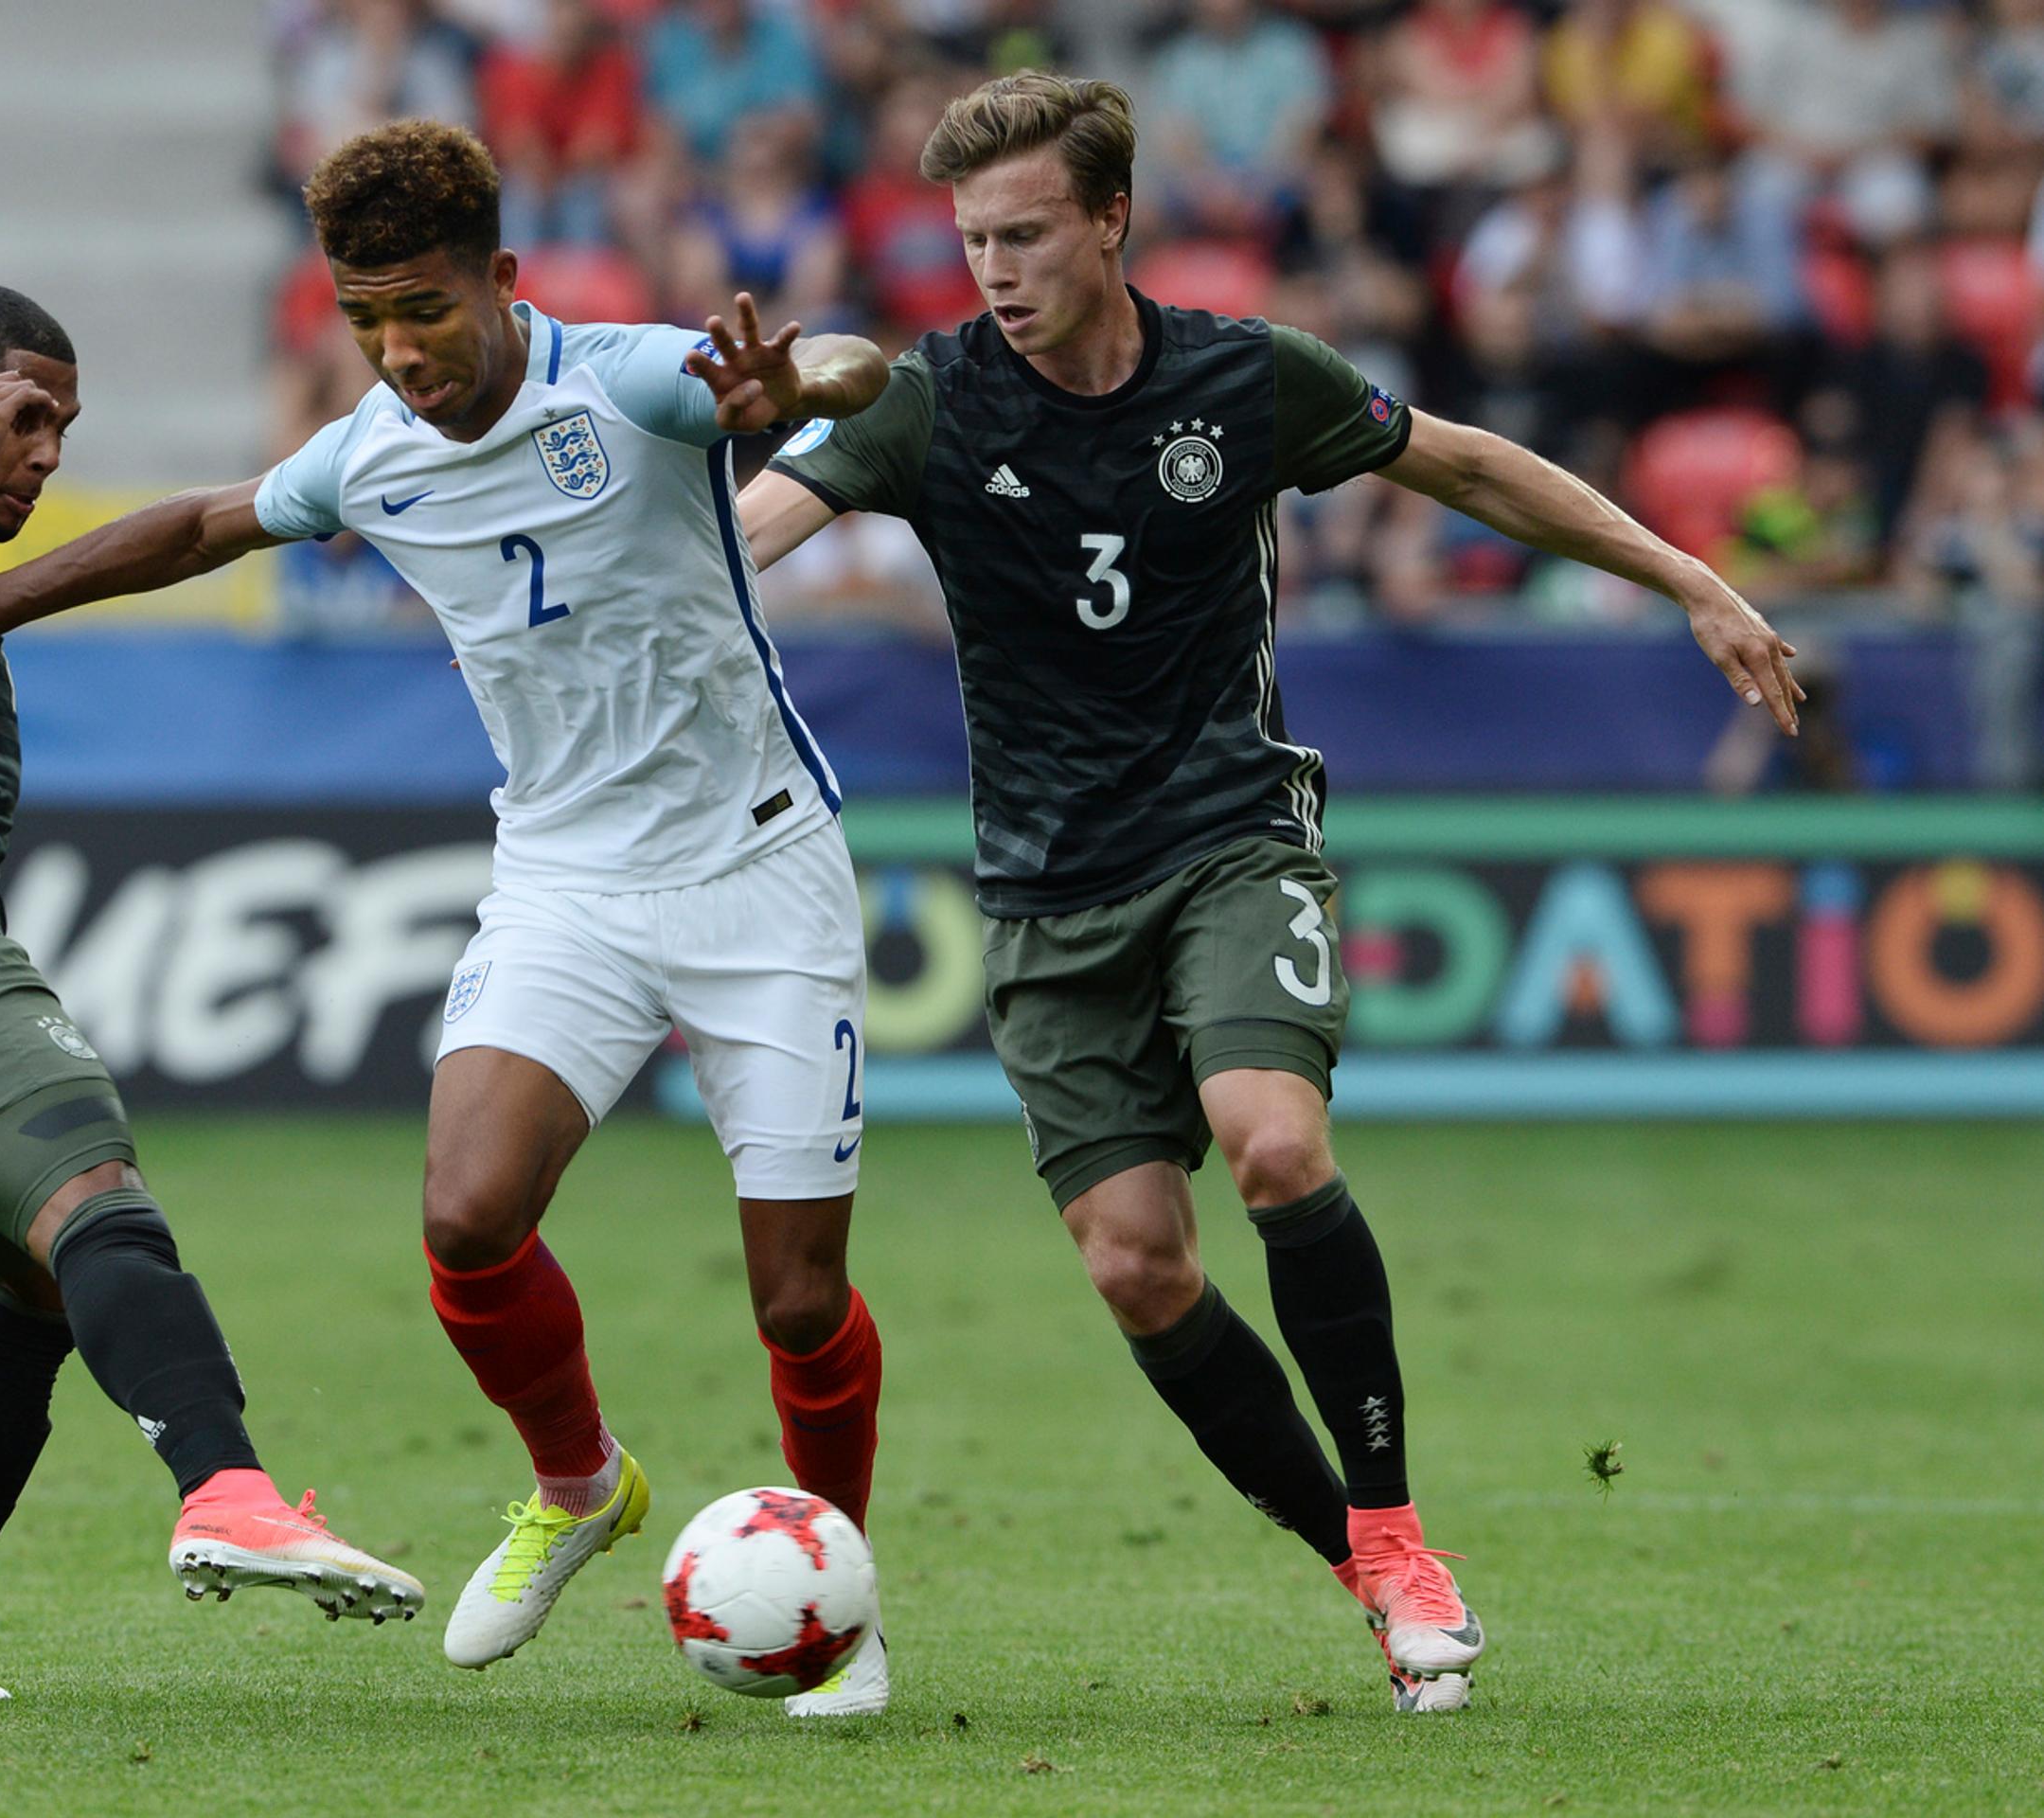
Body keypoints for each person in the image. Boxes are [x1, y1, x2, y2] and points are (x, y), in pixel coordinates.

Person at [742, 72, 1802, 1714]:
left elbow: (1463, 467)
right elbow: (758, 531)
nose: (995, 271)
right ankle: (1358, 1566)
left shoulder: (1244, 379)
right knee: (1136, 1268)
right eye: (969, 242)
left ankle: (1397, 1529)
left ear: (1110, 218)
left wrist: (1689, 577)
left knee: (1277, 1140)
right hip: (1040, 896)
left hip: (1228, 838)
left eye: (1026, 234)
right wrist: (687, 488)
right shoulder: (931, 399)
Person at [0, 127, 901, 1714]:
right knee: (468, 1216)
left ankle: (836, 1593)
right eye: (366, 321)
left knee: (797, 1301)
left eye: (424, 308)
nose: (400, 352)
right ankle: (577, 1489)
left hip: (758, 866)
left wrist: (809, 383)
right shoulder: (373, 448)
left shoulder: (631, 382)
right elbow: (207, 525)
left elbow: (837, 365)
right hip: (565, 877)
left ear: (501, 277)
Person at [0, 286, 424, 1704]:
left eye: (64, 424)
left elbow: (171, 532)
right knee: (95, 1193)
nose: (47, 452)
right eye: (23, 415)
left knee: (43, 1288)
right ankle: (225, 1485)